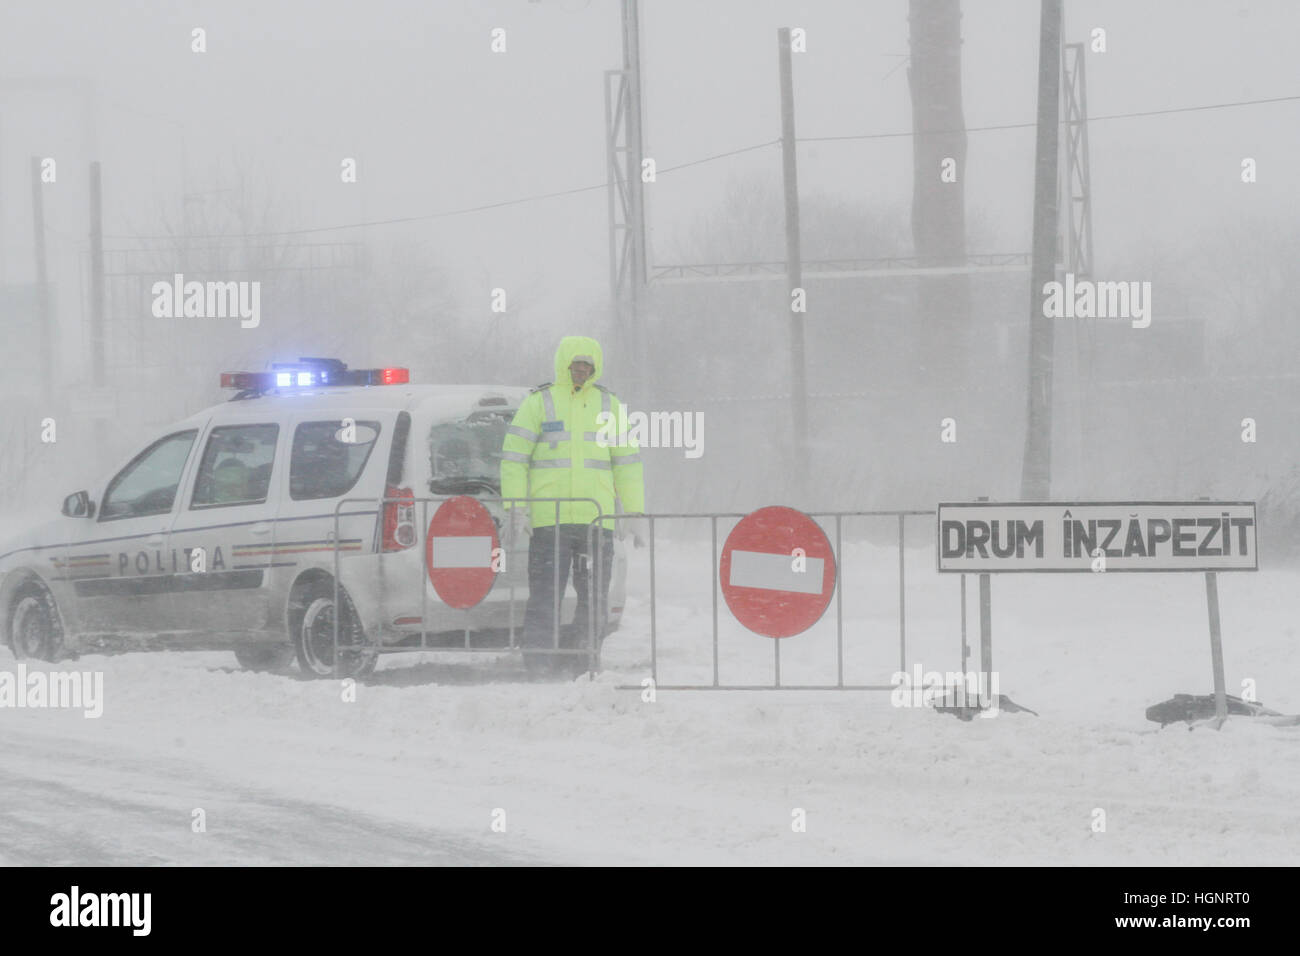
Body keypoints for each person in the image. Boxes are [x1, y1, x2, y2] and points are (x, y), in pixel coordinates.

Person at [499, 336, 644, 678]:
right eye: (576, 364)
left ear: (595, 368)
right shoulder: (539, 402)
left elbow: (627, 462)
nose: (582, 370)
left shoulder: (610, 405)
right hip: (551, 523)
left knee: (594, 601)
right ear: (565, 364)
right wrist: (516, 506)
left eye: (588, 366)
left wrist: (634, 512)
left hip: (597, 523)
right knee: (544, 601)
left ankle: (585, 664)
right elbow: (514, 458)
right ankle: (540, 666)